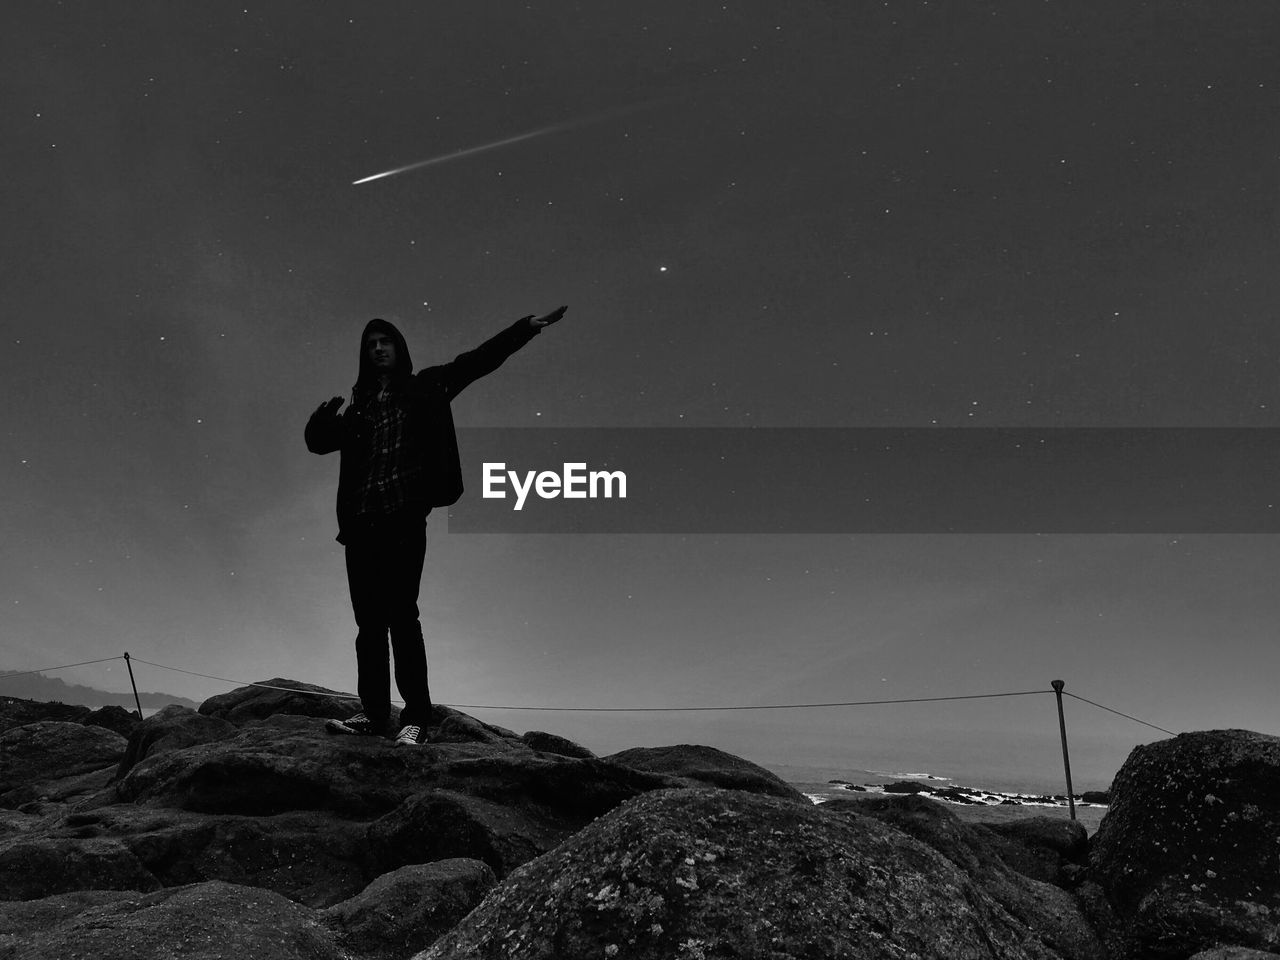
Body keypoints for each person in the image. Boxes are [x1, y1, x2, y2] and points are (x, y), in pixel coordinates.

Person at [305, 306, 566, 745]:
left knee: (402, 617)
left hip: (404, 518)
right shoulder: (358, 410)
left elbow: (477, 362)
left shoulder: (425, 386)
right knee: (368, 625)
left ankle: (416, 718)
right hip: (362, 524)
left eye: (384, 341)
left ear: (398, 347)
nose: (377, 349)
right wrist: (320, 423)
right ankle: (372, 714)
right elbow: (318, 443)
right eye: (370, 345)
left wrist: (523, 328)